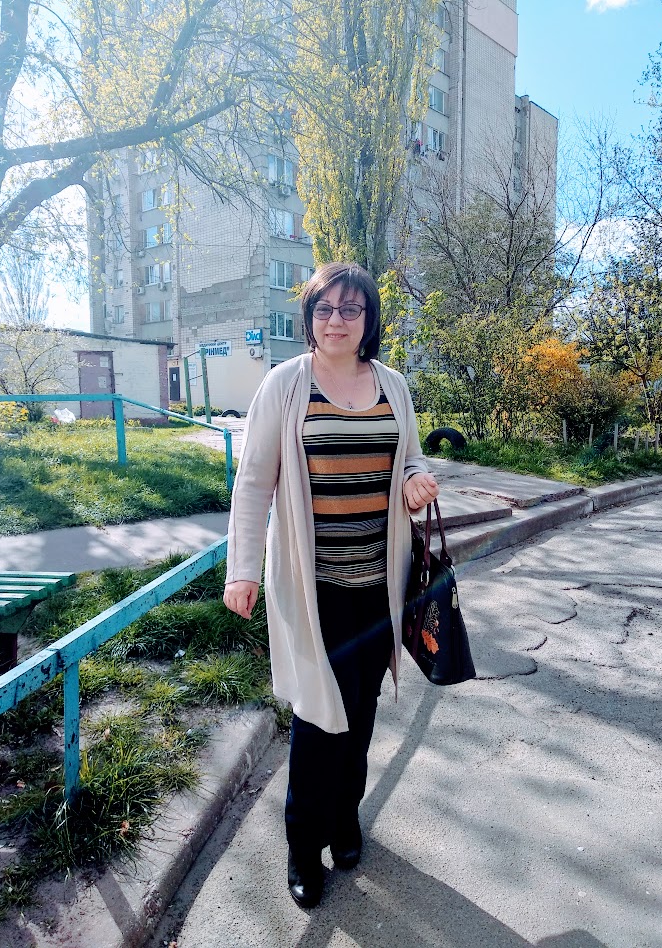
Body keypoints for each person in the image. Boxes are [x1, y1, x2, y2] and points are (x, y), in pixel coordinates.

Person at [223, 261, 439, 908]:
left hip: (379, 589)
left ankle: (346, 819)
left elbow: (410, 456)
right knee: (318, 722)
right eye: (325, 309)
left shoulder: (392, 385)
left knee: (361, 716)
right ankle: (303, 844)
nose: (337, 320)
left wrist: (415, 480)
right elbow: (253, 482)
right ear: (309, 317)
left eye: (350, 309)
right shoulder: (285, 384)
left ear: (369, 319)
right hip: (311, 591)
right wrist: (242, 569)